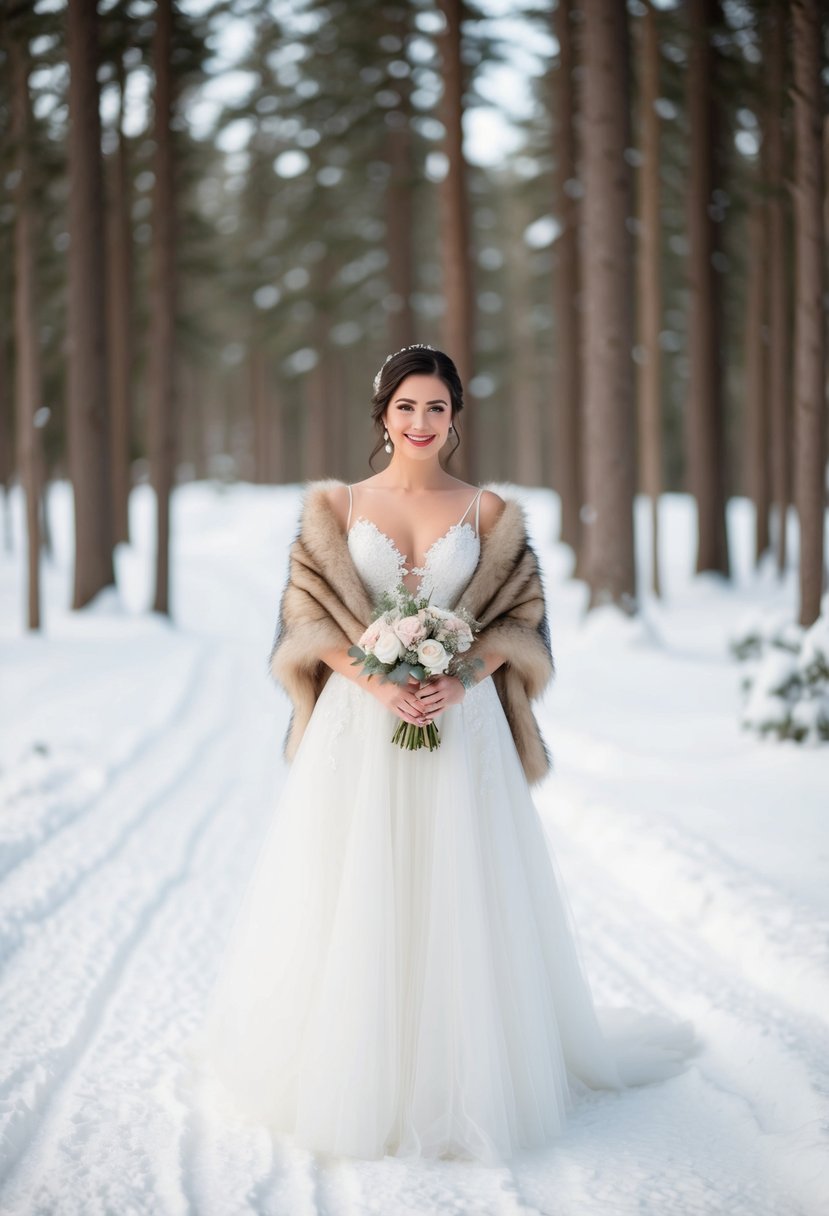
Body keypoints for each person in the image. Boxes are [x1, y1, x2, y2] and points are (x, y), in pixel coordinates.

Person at [186, 344, 697, 1166]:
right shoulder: (335, 508)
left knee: (462, 889)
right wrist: (378, 682)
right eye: (406, 407)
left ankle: (467, 1074)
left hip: (460, 726)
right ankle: (353, 1073)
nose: (420, 423)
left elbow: (519, 618)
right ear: (382, 416)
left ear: (455, 417)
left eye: (436, 408)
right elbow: (307, 620)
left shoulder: (488, 512)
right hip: (361, 730)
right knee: (356, 887)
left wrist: (458, 679)